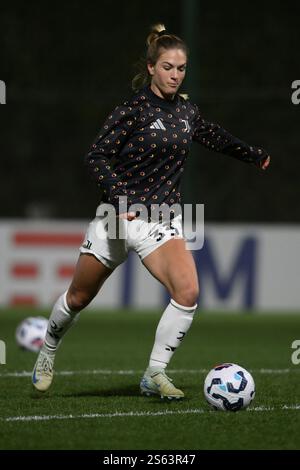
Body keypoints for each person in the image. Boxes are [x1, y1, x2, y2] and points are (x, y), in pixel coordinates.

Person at [32, 23, 270, 400]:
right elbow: (96, 156)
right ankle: (47, 350)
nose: (175, 74)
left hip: (162, 219)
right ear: (151, 68)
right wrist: (120, 197)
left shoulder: (186, 111)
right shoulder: (132, 110)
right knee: (78, 298)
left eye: (181, 68)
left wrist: (252, 154)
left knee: (188, 291)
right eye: (168, 67)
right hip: (117, 218)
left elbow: (213, 135)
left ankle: (154, 373)